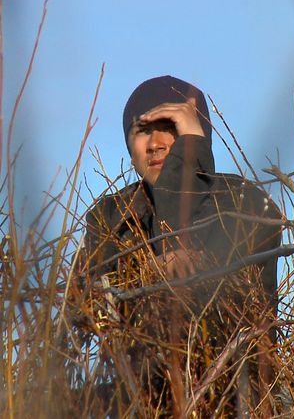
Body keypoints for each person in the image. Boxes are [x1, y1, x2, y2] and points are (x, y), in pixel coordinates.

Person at [69, 76, 282, 416]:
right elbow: (81, 312)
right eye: (142, 130)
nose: (154, 143)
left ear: (197, 136)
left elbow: (216, 314)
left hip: (233, 398)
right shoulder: (111, 216)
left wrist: (188, 163)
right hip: (140, 399)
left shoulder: (245, 202)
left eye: (171, 127)